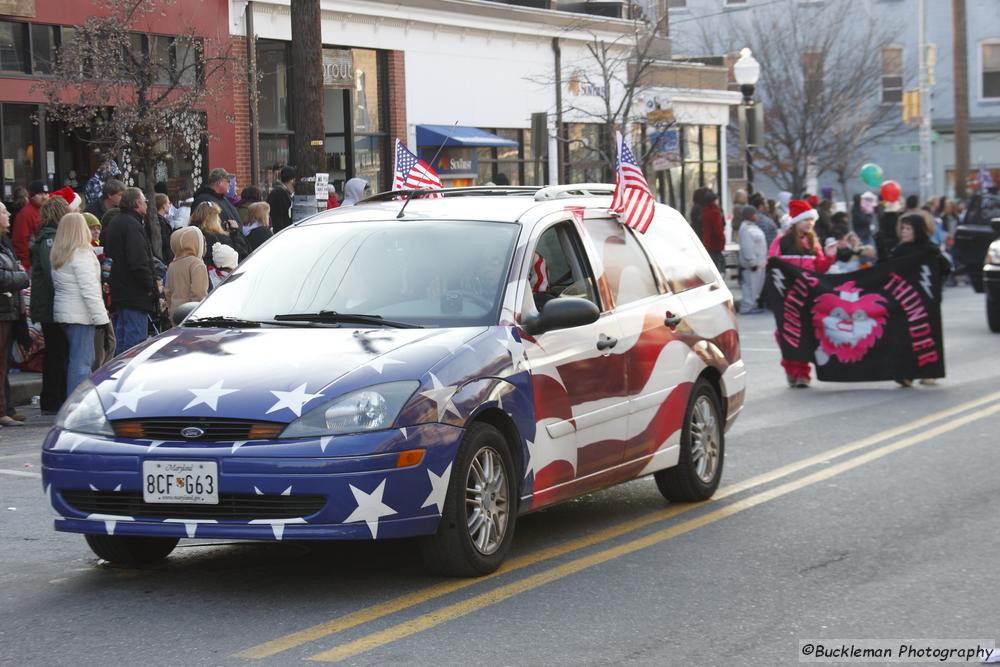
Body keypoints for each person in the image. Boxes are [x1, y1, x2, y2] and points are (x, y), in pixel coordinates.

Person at [770, 199, 832, 388]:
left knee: (805, 334)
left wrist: (830, 256)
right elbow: (771, 264)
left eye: (812, 220)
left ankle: (803, 373)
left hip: (807, 297)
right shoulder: (781, 242)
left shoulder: (814, 242)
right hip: (786, 298)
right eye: (806, 220)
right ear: (796, 221)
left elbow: (820, 269)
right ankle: (791, 369)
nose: (809, 223)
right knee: (785, 334)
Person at [51, 212, 110, 396]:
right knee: (82, 363)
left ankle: (73, 404)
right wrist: (102, 318)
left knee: (76, 360)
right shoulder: (82, 253)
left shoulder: (59, 253)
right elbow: (89, 290)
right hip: (82, 315)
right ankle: (77, 407)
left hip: (66, 313)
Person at [890, 214, 951, 387]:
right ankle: (906, 374)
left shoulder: (930, 250)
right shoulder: (900, 250)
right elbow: (888, 270)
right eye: (903, 228)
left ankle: (929, 373)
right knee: (905, 337)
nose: (904, 232)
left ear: (917, 229)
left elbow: (945, 270)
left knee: (928, 337)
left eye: (908, 228)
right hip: (906, 301)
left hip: (927, 301)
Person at [103, 188, 158, 355]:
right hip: (134, 293)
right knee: (135, 347)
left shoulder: (116, 222)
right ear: (136, 203)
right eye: (144, 201)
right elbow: (138, 261)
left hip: (120, 291)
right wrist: (151, 286)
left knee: (122, 342)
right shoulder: (132, 225)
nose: (147, 204)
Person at [30, 196, 70, 412]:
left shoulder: (50, 236)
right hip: (51, 304)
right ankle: (52, 398)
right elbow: (52, 270)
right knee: (57, 351)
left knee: (57, 351)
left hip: (50, 303)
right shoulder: (49, 238)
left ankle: (52, 397)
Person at [0, 202, 29, 425]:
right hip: (3, 310)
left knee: (6, 362)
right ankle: (2, 411)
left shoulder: (5, 243)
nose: (8, 214)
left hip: (9, 310)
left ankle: (7, 406)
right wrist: (22, 277)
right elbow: (3, 277)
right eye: (3, 212)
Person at [165, 226, 208, 318]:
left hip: (175, 314)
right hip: (191, 314)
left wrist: (170, 310)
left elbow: (168, 292)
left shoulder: (172, 265)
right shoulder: (197, 264)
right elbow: (199, 292)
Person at [737, 206, 767, 314]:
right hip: (752, 265)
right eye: (754, 214)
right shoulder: (746, 228)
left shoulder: (752, 226)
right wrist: (752, 262)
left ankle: (752, 305)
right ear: (750, 215)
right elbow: (747, 247)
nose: (756, 216)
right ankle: (747, 307)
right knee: (750, 287)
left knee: (755, 287)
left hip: (759, 264)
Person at [12, 180, 48, 268]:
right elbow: (20, 242)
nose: (44, 197)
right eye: (40, 194)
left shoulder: (48, 210)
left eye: (46, 193)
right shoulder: (25, 214)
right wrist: (26, 266)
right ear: (31, 195)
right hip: (33, 263)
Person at [700, 189, 726, 274]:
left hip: (708, 242)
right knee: (717, 266)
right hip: (716, 243)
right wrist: (722, 240)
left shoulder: (705, 211)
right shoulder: (715, 212)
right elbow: (718, 229)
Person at [267, 166, 296, 233]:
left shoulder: (283, 192)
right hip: (280, 234)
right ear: (292, 180)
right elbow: (277, 218)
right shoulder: (280, 193)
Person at [154, 194, 175, 265]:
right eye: (168, 203)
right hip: (164, 256)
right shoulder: (159, 221)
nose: (170, 205)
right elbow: (164, 240)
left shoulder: (161, 219)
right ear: (163, 206)